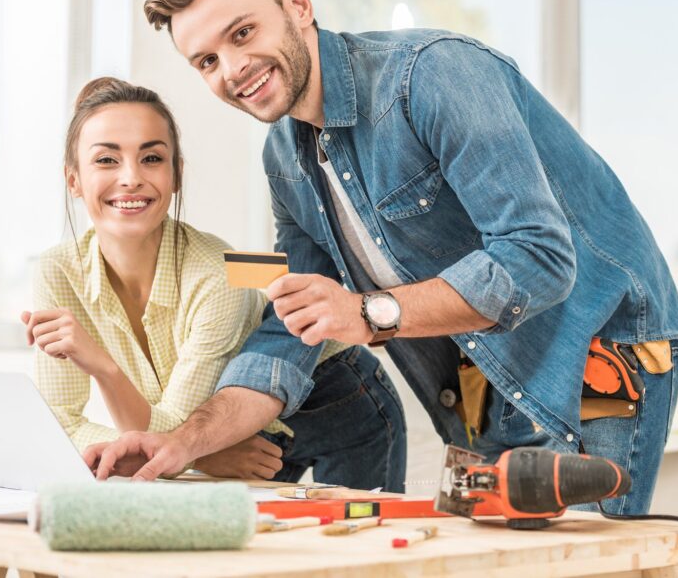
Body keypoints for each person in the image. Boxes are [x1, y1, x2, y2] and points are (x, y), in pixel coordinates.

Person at [83, 0, 678, 515]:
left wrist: (368, 312)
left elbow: (538, 258)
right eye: (207, 61)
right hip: (475, 381)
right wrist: (183, 444)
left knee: (585, 559)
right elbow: (292, 332)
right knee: (490, 562)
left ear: (297, 5)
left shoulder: (431, 75)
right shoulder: (285, 159)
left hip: (595, 348)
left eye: (242, 33)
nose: (233, 69)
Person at [22, 76, 406, 490]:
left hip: (339, 404)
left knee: (346, 545)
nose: (131, 177)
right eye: (106, 160)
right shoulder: (57, 271)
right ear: (73, 179)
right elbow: (60, 424)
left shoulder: (218, 273)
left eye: (151, 158)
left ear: (177, 174)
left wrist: (103, 367)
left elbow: (166, 443)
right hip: (216, 431)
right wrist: (207, 453)